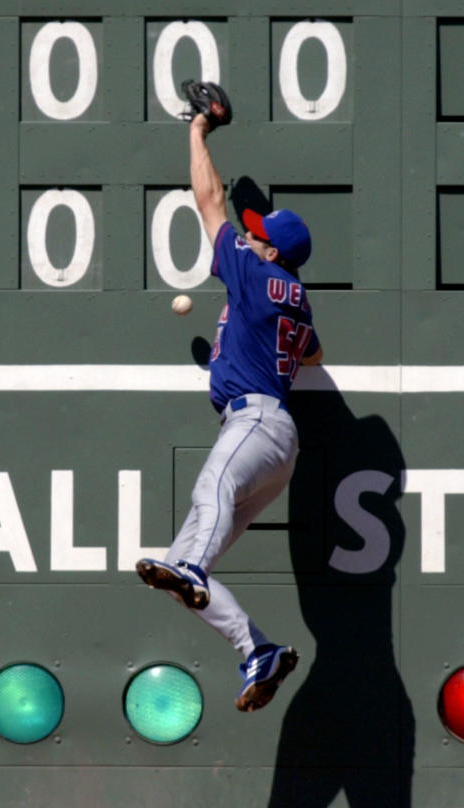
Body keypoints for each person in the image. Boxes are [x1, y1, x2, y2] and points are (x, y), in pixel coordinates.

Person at [137, 110, 323, 712]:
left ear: (271, 249)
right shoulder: (297, 300)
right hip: (275, 442)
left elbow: (210, 199)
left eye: (256, 233)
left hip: (257, 423)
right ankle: (257, 650)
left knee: (207, 494)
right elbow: (315, 351)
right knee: (172, 570)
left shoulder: (252, 269)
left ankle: (192, 566)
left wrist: (196, 132)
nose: (247, 235)